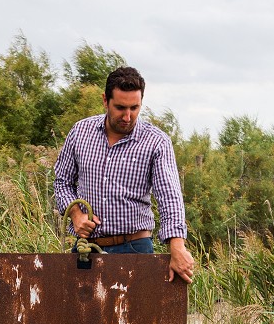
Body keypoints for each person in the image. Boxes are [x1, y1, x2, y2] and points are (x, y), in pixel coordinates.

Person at [53, 65, 195, 282]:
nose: (128, 117)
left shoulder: (157, 142)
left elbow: (170, 198)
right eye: (120, 108)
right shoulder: (80, 132)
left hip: (135, 249)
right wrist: (75, 215)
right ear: (105, 100)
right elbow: (62, 181)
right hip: (86, 250)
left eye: (134, 108)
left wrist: (177, 247)